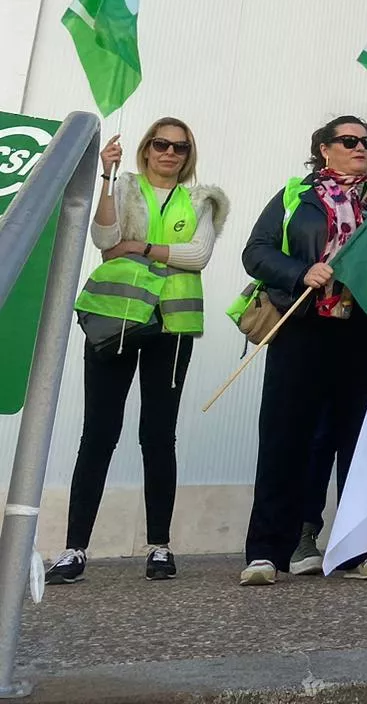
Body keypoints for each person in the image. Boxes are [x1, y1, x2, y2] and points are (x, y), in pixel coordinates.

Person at [45, 121, 229, 586]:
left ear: (189, 154)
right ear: (145, 149)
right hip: (117, 322)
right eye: (161, 144)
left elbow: (199, 254)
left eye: (180, 147)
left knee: (157, 434)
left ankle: (160, 545)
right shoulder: (123, 187)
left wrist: (141, 245)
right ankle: (74, 549)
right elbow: (106, 241)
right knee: (99, 433)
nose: (170, 152)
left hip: (172, 326)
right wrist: (105, 176)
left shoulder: (202, 199)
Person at [237, 116, 367, 585]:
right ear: (324, 149)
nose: (361, 148)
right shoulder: (294, 194)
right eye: (350, 141)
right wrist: (300, 271)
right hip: (302, 326)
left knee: (360, 442)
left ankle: (359, 549)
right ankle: (266, 552)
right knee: (285, 438)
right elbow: (257, 251)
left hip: (364, 330)